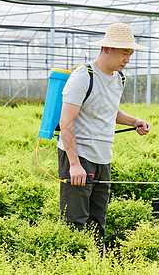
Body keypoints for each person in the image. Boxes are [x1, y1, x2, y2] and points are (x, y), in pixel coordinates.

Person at [57, 23, 151, 251]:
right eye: (124, 53)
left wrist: (135, 121)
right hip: (79, 157)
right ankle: (73, 266)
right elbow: (66, 122)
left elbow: (110, 111)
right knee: (75, 223)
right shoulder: (83, 77)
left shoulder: (119, 78)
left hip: (103, 158)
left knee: (98, 221)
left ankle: (96, 264)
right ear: (107, 48)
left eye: (130, 53)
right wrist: (75, 165)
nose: (128, 59)